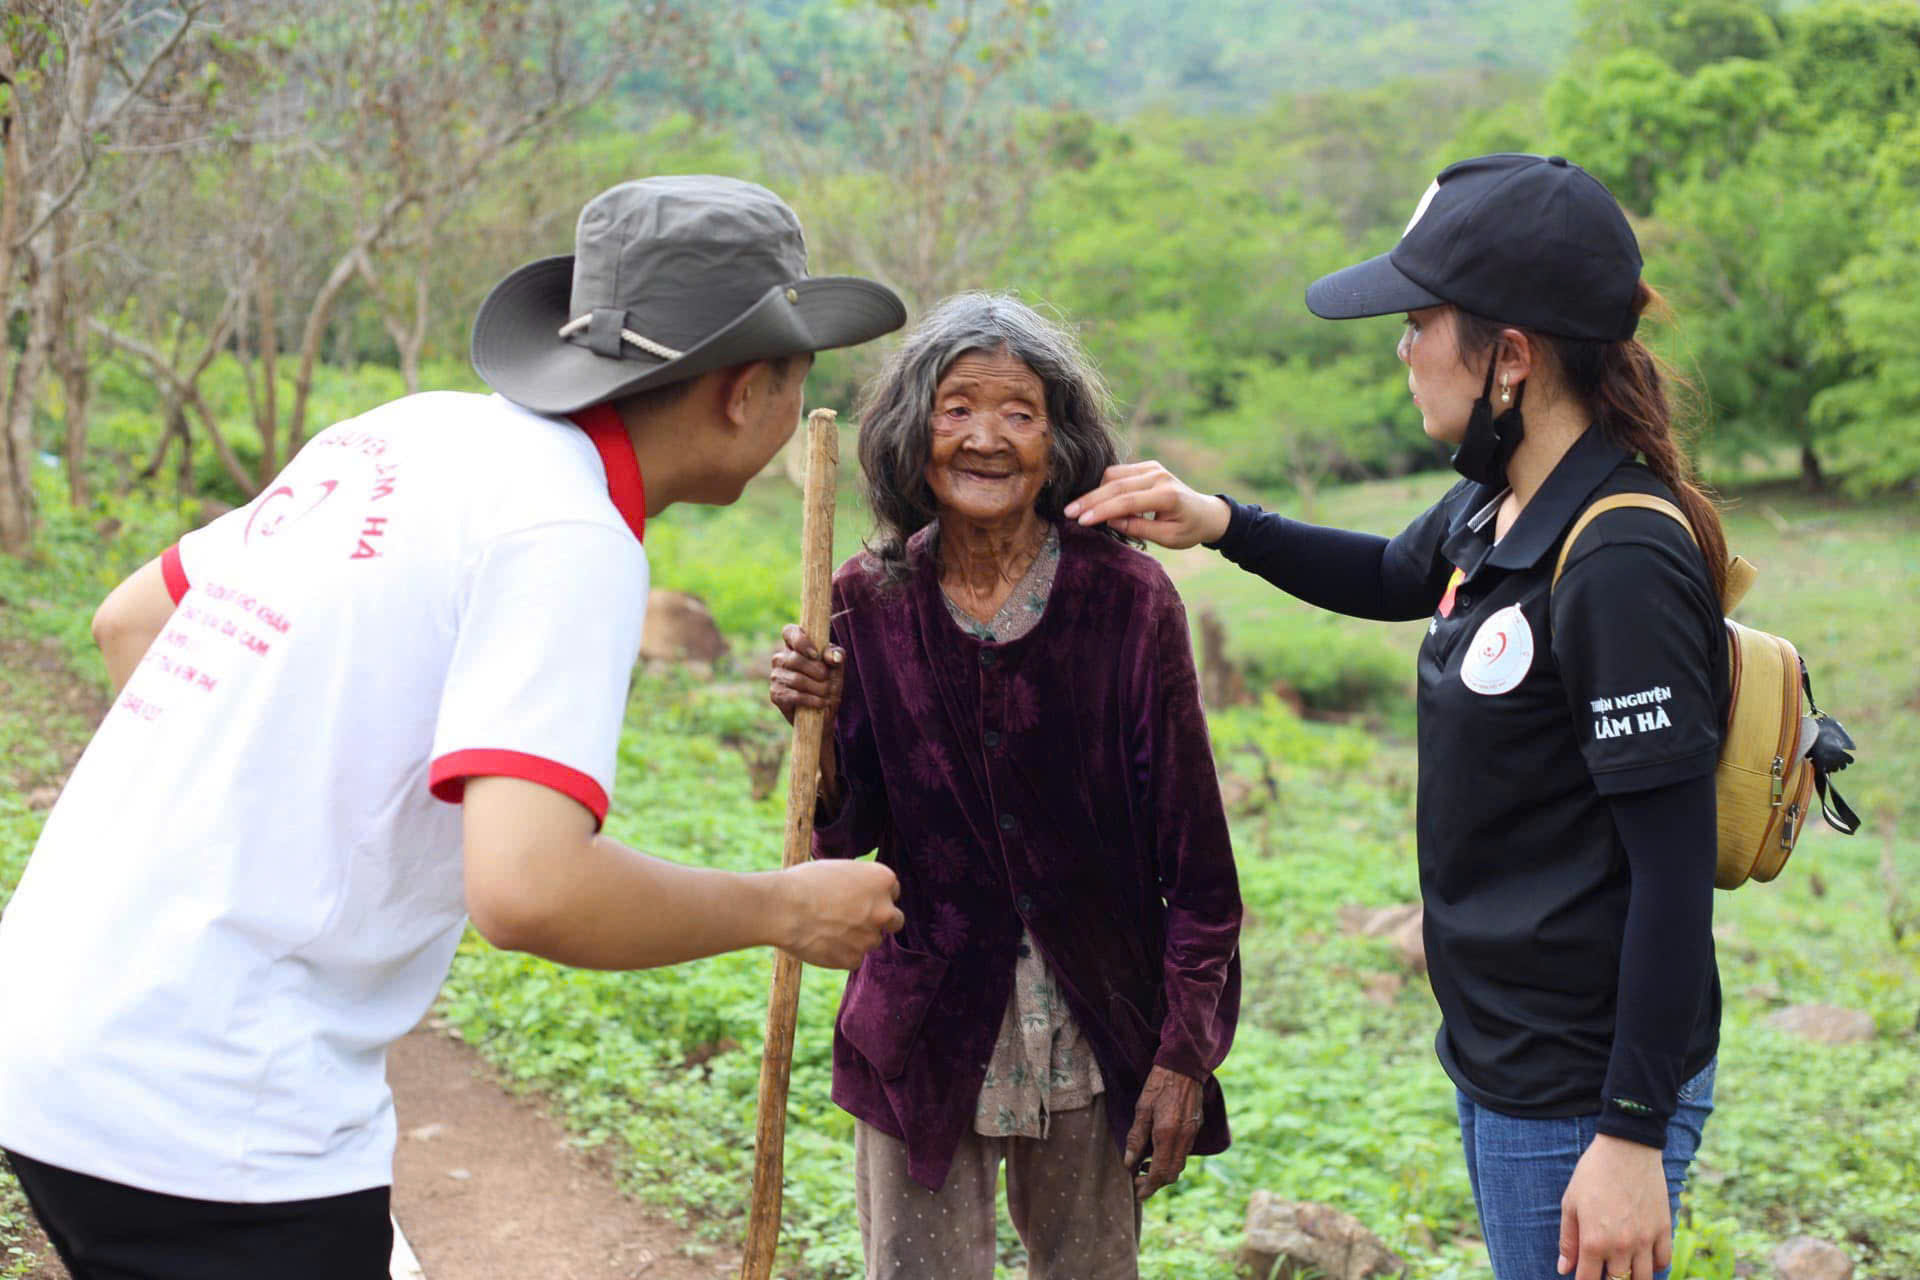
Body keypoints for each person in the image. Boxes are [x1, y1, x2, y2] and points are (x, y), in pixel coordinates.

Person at [0, 175, 910, 1279]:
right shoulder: (573, 533)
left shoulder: (403, 433)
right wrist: (782, 909)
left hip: (55, 1030)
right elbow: (530, 888)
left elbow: (129, 621)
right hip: (212, 1112)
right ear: (744, 390)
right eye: (800, 374)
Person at [1067, 154, 1724, 1280]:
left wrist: (1628, 1133)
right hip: (1505, 1047)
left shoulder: (1616, 554)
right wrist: (1215, 518)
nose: (1402, 347)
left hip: (1581, 1077)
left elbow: (1673, 875)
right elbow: (1387, 572)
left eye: (1421, 321)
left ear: (1510, 357)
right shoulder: (1501, 498)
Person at [767, 293, 1241, 1280]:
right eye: (956, 409)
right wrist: (821, 727)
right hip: (923, 1026)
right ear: (914, 433)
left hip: (1093, 1022)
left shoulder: (1128, 599)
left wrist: (1183, 1053)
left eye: (1019, 411)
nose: (987, 437)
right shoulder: (868, 595)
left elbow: (1199, 867)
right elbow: (838, 841)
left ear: (1057, 438)